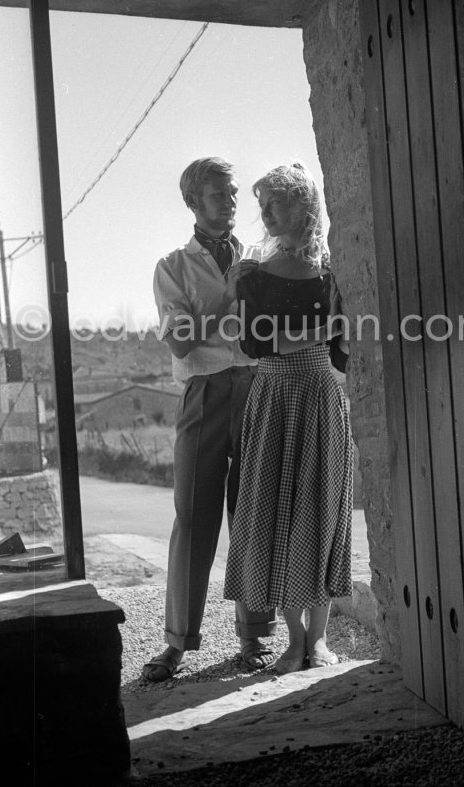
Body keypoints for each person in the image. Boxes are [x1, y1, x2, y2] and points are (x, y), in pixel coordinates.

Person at [143, 157, 277, 682]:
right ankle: (178, 642)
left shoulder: (264, 258)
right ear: (193, 202)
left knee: (252, 513)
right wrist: (233, 298)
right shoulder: (172, 267)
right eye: (219, 193)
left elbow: (276, 325)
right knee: (193, 515)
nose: (231, 202)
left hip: (257, 388)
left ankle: (254, 636)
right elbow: (180, 339)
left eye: (234, 192)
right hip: (203, 393)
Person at [224, 161, 353, 674]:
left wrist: (336, 333)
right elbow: (253, 344)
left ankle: (318, 642)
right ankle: (293, 639)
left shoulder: (332, 273)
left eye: (274, 203)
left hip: (322, 395)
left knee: (321, 513)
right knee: (273, 513)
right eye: (262, 205)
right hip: (275, 395)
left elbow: (342, 355)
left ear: (305, 207)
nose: (265, 214)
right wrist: (319, 334)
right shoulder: (253, 275)